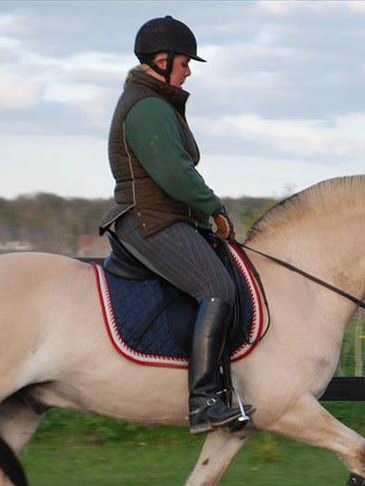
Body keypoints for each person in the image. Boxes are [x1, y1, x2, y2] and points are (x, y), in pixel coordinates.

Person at [99, 15, 253, 434]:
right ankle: (204, 401)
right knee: (217, 288)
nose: (188, 72)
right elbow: (175, 174)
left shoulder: (156, 102)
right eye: (185, 63)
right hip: (148, 220)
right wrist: (215, 206)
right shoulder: (148, 107)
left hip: (163, 218)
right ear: (162, 61)